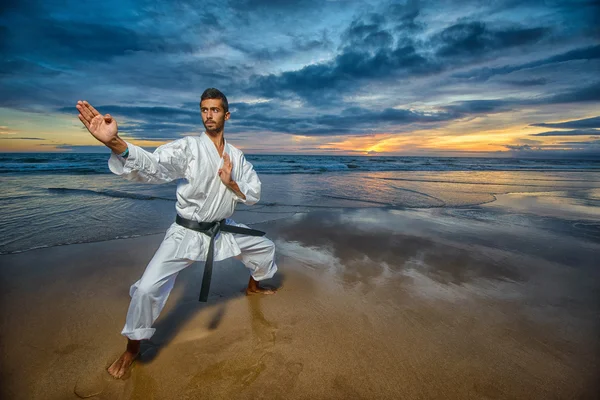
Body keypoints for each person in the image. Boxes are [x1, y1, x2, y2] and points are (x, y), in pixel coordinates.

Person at [75, 88, 277, 379]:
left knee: (264, 247)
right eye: (204, 109)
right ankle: (132, 349)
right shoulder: (190, 148)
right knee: (146, 290)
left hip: (221, 231)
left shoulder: (237, 156)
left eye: (215, 110)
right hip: (186, 233)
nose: (209, 115)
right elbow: (156, 166)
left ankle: (253, 287)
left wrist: (231, 183)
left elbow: (254, 193)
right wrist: (117, 143)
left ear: (227, 115)